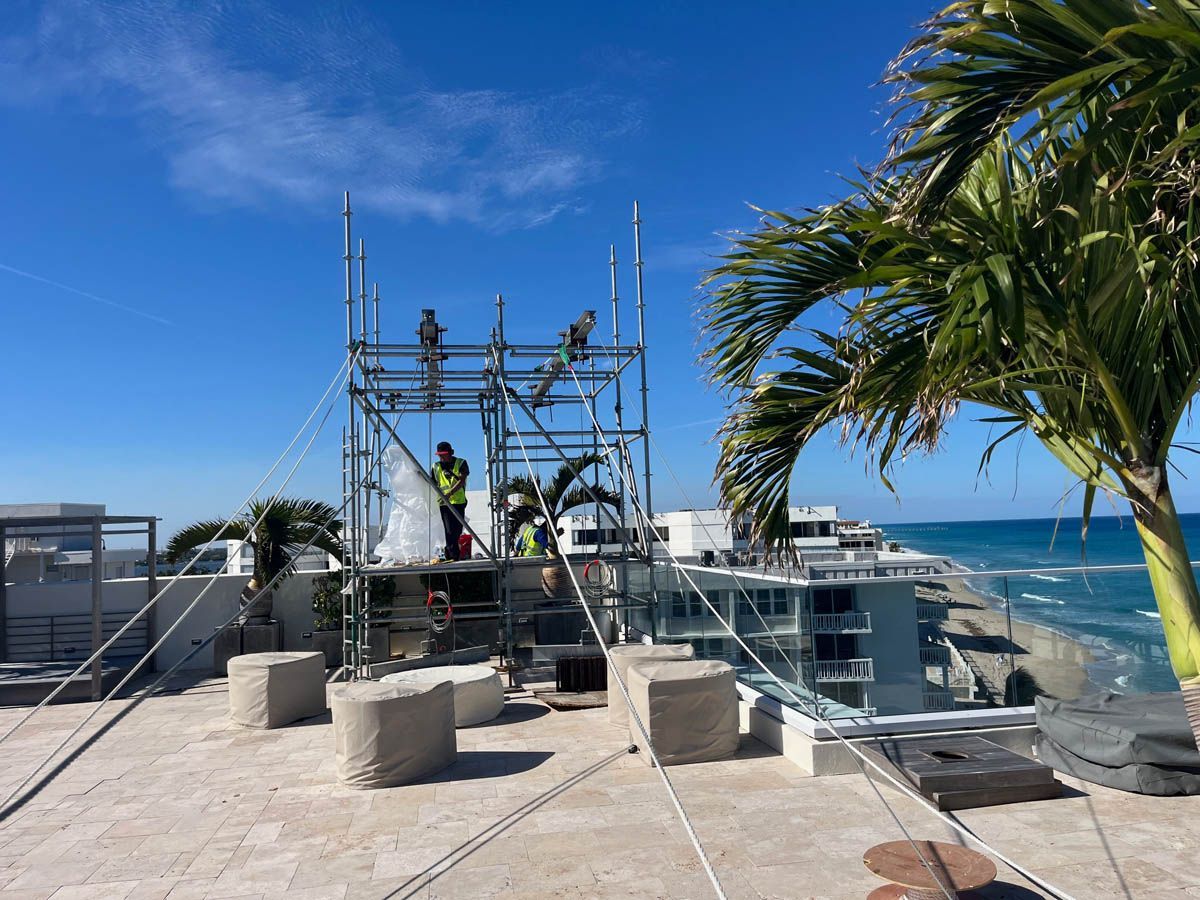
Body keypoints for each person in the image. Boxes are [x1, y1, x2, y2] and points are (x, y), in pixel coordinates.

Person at [431, 441, 469, 561]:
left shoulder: (461, 463)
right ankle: (453, 554)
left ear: (450, 453)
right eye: (440, 455)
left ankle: (450, 551)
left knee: (457, 529)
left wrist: (450, 493)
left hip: (458, 501)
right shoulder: (435, 466)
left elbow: (462, 480)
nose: (441, 457)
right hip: (444, 503)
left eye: (444, 455)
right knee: (449, 530)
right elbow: (432, 482)